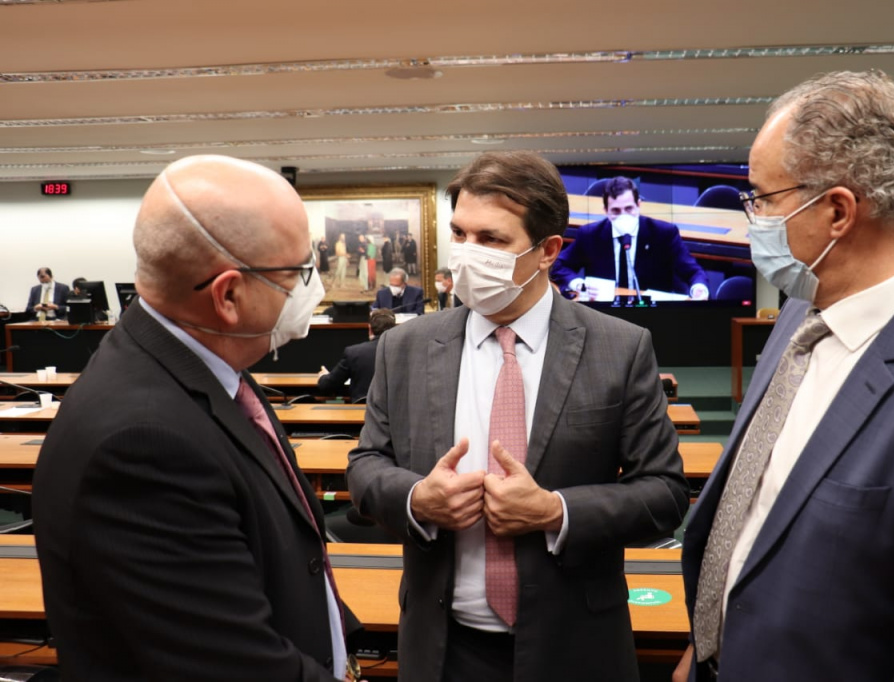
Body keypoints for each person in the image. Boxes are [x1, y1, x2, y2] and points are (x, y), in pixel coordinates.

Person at [676, 71, 894, 682]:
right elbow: (755, 510)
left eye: (762, 198)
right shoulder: (801, 313)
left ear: (837, 211)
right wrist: (709, 644)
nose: (754, 217)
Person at [347, 150, 689, 682]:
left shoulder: (619, 348)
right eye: (459, 234)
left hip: (575, 643)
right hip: (442, 647)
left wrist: (555, 511)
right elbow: (366, 464)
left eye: (491, 239)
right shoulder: (404, 347)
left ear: (547, 250)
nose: (466, 253)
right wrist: (417, 498)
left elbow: (665, 493)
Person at [33, 155, 363, 681]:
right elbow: (239, 666)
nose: (312, 287)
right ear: (228, 295)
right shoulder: (144, 444)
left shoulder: (202, 363)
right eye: (299, 272)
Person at [549, 177, 710, 299]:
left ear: (638, 206)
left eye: (629, 209)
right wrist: (578, 284)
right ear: (606, 211)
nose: (623, 215)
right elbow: (558, 265)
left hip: (652, 311)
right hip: (606, 312)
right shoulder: (591, 234)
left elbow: (693, 271)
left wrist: (699, 288)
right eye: (616, 211)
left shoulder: (664, 233)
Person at [317, 308, 397, 402]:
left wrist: (323, 377)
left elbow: (328, 385)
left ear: (370, 329)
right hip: (395, 409)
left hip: (362, 408)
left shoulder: (354, 352)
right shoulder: (406, 352)